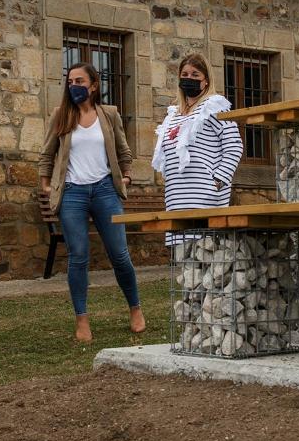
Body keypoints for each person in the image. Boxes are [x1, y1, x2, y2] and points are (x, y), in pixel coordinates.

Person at [39, 62, 145, 343]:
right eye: (70, 80)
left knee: (119, 255)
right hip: (72, 193)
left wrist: (127, 176)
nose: (74, 85)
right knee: (78, 257)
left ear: (93, 85)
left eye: (80, 80)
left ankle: (135, 309)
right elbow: (47, 153)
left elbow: (123, 150)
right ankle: (82, 319)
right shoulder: (61, 115)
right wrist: (46, 184)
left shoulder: (109, 114)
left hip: (104, 191)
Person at [152, 53, 244, 226]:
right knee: (180, 249)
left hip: (204, 195)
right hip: (176, 196)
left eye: (195, 75)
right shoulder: (173, 114)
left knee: (203, 247)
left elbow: (234, 146)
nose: (189, 78)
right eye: (185, 75)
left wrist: (217, 181)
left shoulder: (215, 107)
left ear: (206, 80)